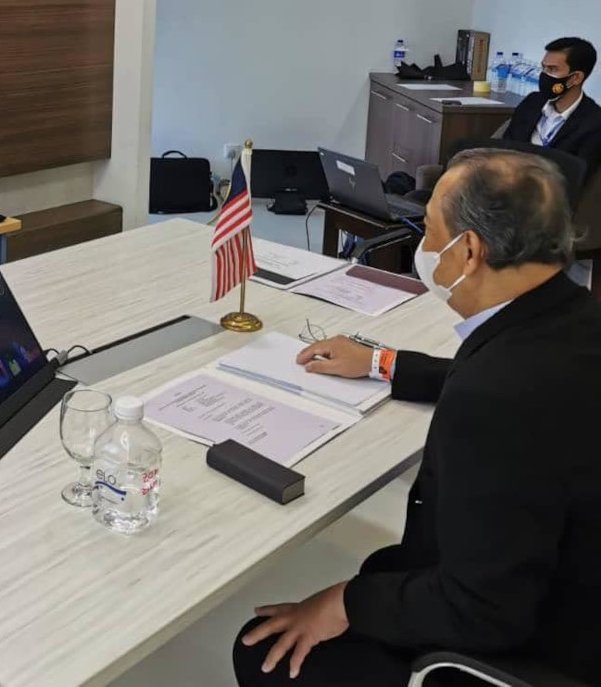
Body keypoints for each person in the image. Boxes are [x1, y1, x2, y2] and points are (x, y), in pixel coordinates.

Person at [233, 149, 601, 687]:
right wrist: (383, 362)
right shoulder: (572, 318)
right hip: (573, 590)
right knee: (386, 565)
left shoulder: (495, 397)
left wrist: (344, 604)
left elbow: (484, 610)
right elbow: (495, 372)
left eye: (430, 231)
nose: (426, 248)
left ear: (469, 249)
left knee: (260, 651)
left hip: (535, 649)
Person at [503, 37, 601, 178]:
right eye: (543, 67)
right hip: (508, 182)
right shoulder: (532, 102)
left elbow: (578, 177)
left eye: (552, 69)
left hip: (552, 195)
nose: (544, 75)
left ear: (576, 78)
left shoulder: (594, 122)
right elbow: (504, 146)